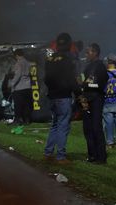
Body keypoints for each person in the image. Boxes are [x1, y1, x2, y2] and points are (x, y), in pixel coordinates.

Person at [43, 32, 79, 164]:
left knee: (55, 125)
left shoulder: (50, 59)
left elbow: (46, 79)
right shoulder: (67, 60)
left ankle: (47, 153)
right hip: (63, 97)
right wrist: (78, 93)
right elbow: (71, 80)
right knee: (63, 126)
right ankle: (61, 156)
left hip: (52, 96)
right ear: (69, 45)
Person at [80, 43, 109, 164]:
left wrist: (84, 84)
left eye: (88, 52)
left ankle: (101, 157)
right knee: (87, 128)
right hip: (87, 99)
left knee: (96, 128)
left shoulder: (100, 66)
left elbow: (99, 85)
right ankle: (91, 155)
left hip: (96, 99)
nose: (86, 54)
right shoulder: (89, 66)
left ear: (95, 53)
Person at [9, 49, 32, 125]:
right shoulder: (28, 63)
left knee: (18, 105)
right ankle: (27, 120)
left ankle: (17, 120)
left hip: (19, 87)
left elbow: (17, 75)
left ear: (17, 56)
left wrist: (12, 84)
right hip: (27, 87)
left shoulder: (18, 63)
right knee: (26, 105)